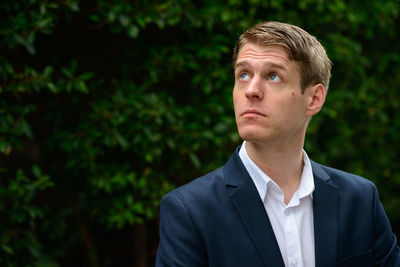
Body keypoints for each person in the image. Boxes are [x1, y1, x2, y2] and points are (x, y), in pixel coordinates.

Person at [155, 21, 400, 267]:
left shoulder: (360, 201)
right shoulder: (189, 211)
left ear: (314, 99)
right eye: (243, 74)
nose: (251, 90)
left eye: (273, 76)